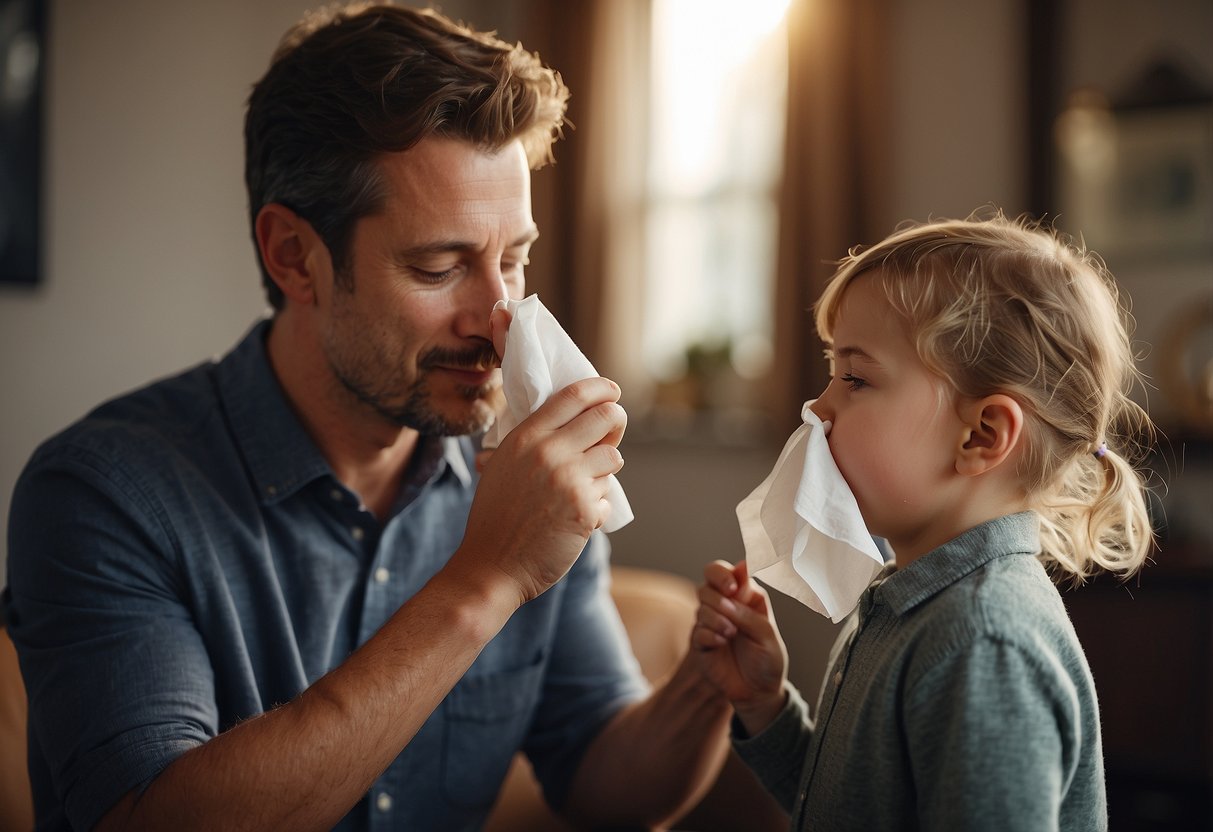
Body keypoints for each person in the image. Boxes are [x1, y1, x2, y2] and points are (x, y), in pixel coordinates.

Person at [2, 4, 734, 830]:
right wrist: (485, 582)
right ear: (294, 257)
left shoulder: (523, 473)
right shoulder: (103, 494)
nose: (498, 317)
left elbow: (603, 780)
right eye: (437, 266)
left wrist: (708, 690)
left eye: (514, 259)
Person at [691, 211, 1156, 830]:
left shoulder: (983, 643)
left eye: (855, 378)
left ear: (983, 435)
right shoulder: (914, 599)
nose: (818, 406)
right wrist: (766, 704)